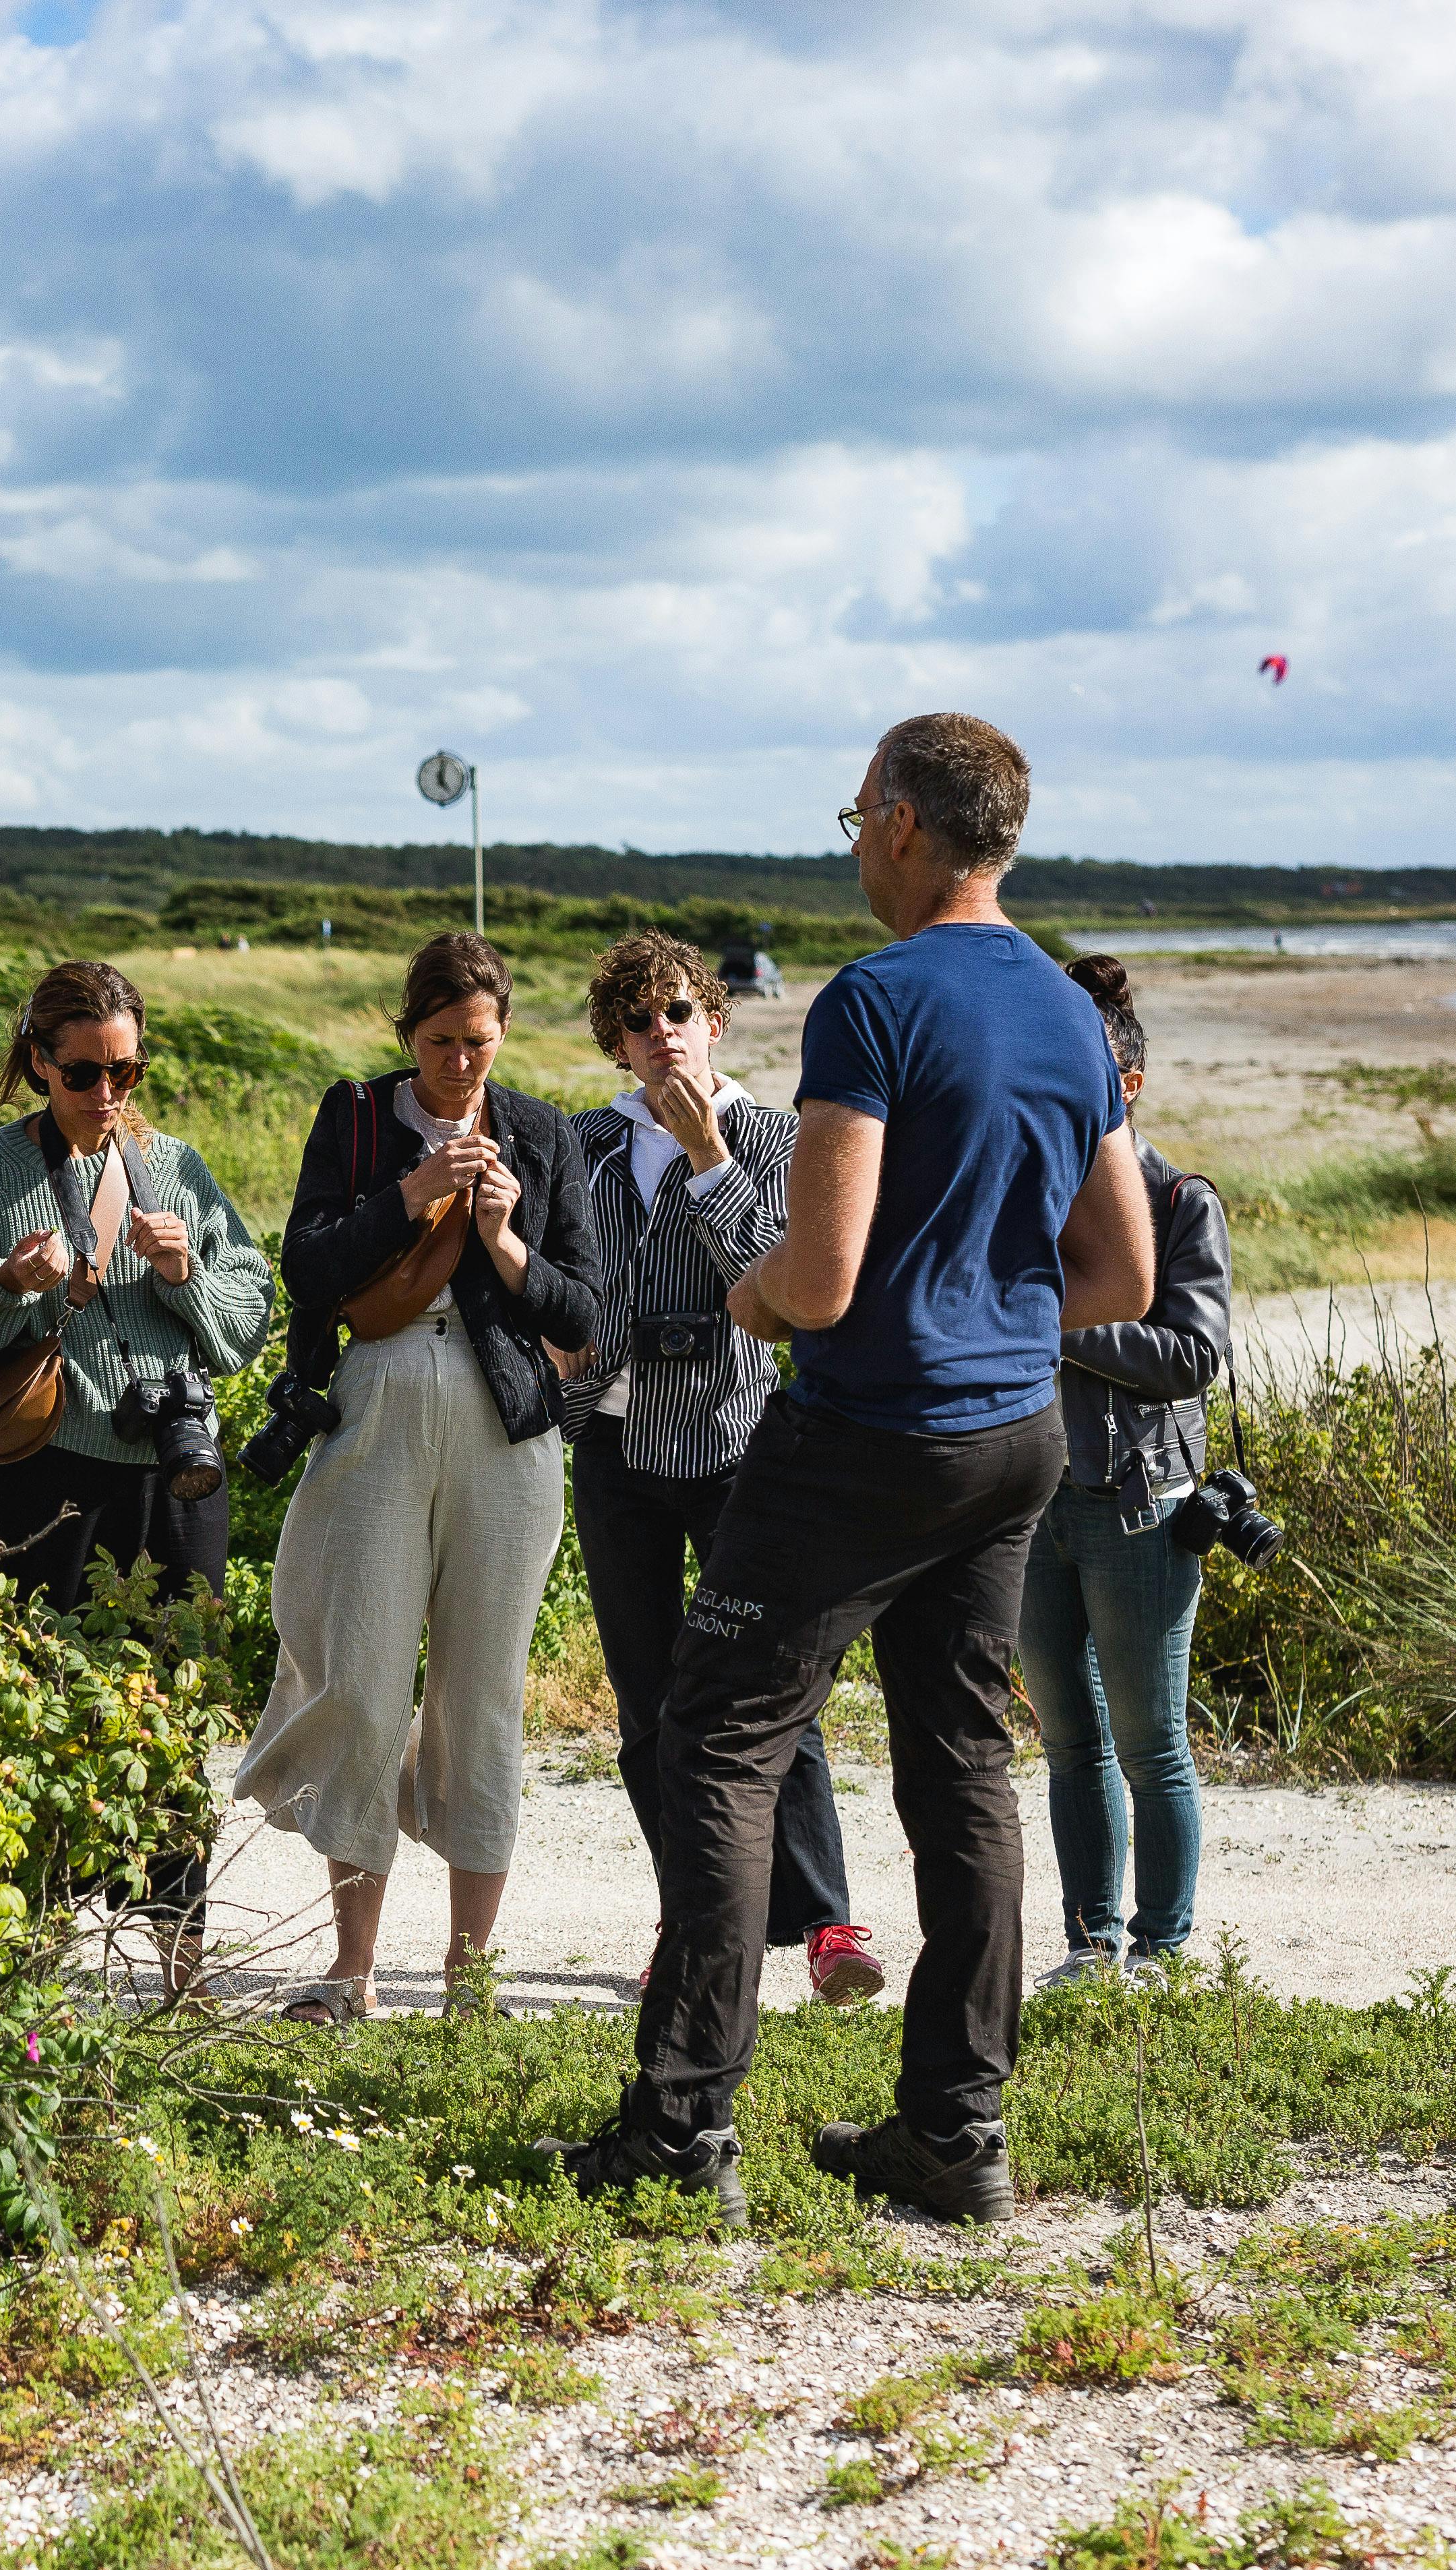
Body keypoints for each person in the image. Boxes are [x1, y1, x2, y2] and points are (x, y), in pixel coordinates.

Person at [541, 713, 1155, 2230]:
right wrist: (986, 1310)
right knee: (960, 1769)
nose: (848, 843)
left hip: (870, 1432)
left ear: (894, 818)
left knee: (716, 1739)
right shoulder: (1074, 1014)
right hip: (1017, 1436)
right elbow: (1125, 1271)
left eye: (849, 815)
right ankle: (957, 2132)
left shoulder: (875, 1000)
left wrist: (754, 1300)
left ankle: (679, 2127)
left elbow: (811, 1284)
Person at [236, 933, 596, 2021]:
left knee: (482, 1695)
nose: (461, 1065)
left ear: (502, 1034)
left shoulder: (540, 1132)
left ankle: (468, 1977)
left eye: (479, 1043)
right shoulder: (354, 1118)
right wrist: (410, 1194)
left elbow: (583, 1312)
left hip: (506, 1426)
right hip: (378, 1402)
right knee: (365, 1678)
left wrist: (503, 1239)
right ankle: (352, 1974)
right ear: (409, 1036)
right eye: (441, 1043)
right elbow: (304, 1268)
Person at [545, 932, 880, 2011]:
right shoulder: (583, 1144)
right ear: (615, 1041)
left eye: (679, 1014)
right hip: (618, 1446)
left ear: (716, 1020)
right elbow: (561, 1290)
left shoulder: (780, 1138)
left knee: (777, 1687)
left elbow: (781, 1290)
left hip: (739, 1446)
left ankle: (828, 1921)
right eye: (638, 1022)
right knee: (648, 1706)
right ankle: (689, 1919)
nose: (662, 1037)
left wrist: (706, 1159)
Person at [0, 959, 274, 1617]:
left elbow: (250, 1324)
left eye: (125, 1071)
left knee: (178, 1690)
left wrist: (188, 1279)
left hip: (181, 1470)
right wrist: (5, 1286)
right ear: (39, 1062)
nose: (107, 1093)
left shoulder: (178, 1167)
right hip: (46, 1476)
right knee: (41, 1698)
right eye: (83, 1073)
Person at [1018, 955, 1230, 1989]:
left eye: (1088, 1070)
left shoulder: (1181, 1200)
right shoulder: (1025, 1199)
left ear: (1130, 1086)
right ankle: (1089, 1945)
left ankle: (1167, 1950)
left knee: (1152, 1744)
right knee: (1068, 1743)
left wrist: (1059, 1327)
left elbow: (1192, 1355)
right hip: (1029, 1499)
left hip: (1144, 1503)